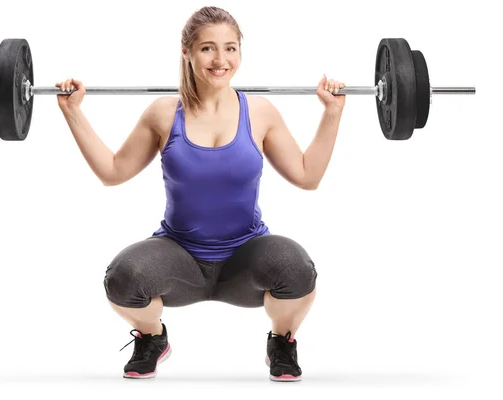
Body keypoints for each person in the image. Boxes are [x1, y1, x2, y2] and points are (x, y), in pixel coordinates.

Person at [55, 6, 345, 382]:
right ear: (186, 52)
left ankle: (282, 340)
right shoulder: (163, 114)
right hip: (178, 257)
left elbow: (308, 176)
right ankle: (151, 337)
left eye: (230, 48)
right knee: (122, 279)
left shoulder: (259, 112)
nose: (221, 60)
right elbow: (113, 172)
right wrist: (73, 112)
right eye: (208, 48)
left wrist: (332, 114)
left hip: (245, 255)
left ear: (240, 51)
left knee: (296, 269)